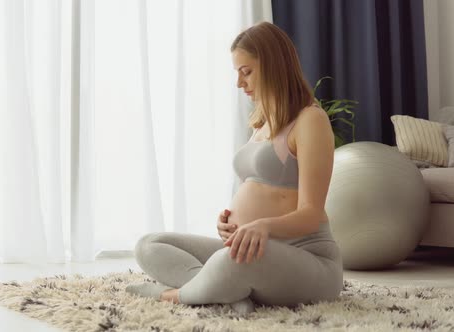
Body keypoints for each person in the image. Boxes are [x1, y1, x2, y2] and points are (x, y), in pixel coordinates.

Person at [125, 22, 342, 315]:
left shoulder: (309, 120)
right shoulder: (262, 124)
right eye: (237, 73)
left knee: (231, 262)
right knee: (150, 245)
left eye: (246, 71)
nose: (240, 83)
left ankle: (173, 296)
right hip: (250, 251)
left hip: (306, 258)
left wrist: (262, 225)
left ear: (274, 65)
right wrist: (229, 223)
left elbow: (311, 213)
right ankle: (227, 293)